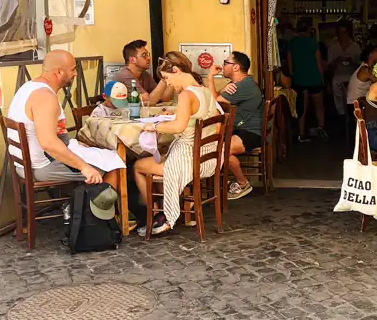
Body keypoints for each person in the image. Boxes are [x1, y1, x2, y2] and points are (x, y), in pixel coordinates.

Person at [133, 51, 222, 236]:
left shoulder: (186, 95)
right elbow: (196, 118)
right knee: (158, 160)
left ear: (176, 70)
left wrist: (154, 127)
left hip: (187, 159)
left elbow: (179, 126)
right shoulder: (204, 90)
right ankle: (164, 209)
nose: (168, 84)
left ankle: (159, 215)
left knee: (139, 166)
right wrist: (170, 118)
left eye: (167, 78)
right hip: (208, 158)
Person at [6, 50, 122, 188]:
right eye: (73, 69)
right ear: (59, 72)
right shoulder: (45, 97)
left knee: (100, 155)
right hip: (42, 167)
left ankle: (76, 205)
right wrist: (84, 167)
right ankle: (90, 208)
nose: (76, 74)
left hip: (27, 164)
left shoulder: (29, 87)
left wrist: (74, 145)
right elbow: (49, 143)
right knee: (113, 164)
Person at [206, 51, 264, 201]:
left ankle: (242, 183)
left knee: (220, 149)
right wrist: (223, 91)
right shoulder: (239, 84)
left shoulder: (242, 86)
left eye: (226, 63)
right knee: (215, 145)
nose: (223, 65)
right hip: (243, 129)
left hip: (251, 132)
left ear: (236, 67)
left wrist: (210, 77)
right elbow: (219, 99)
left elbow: (214, 104)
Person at [287, 17, 326, 142]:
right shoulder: (313, 43)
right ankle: (321, 128)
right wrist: (322, 78)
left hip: (299, 80)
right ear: (309, 29)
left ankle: (301, 134)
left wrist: (293, 75)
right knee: (319, 106)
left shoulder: (291, 43)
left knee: (301, 109)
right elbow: (319, 63)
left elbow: (290, 65)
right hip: (314, 78)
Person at [113, 40, 170, 105]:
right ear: (132, 60)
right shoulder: (125, 75)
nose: (149, 58)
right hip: (118, 113)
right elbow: (149, 101)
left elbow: (164, 97)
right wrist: (164, 77)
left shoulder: (145, 74)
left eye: (148, 55)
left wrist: (171, 75)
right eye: (144, 55)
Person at [326, 20, 361, 114]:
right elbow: (329, 68)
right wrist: (337, 61)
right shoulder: (332, 48)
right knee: (339, 105)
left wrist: (352, 61)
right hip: (337, 78)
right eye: (341, 33)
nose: (343, 35)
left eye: (345, 32)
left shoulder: (355, 47)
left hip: (352, 78)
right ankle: (342, 120)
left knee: (352, 103)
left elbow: (360, 66)